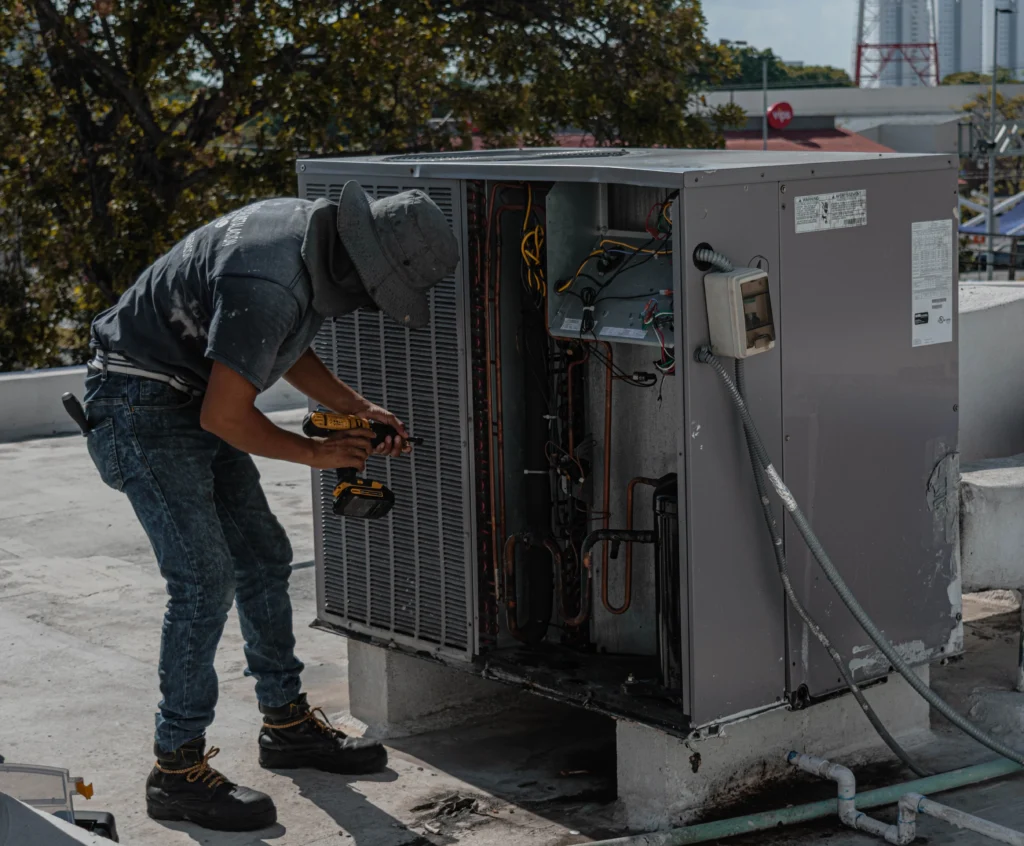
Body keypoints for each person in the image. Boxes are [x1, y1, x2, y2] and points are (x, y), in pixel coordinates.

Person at [81, 182, 459, 832]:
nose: (369, 305)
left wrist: (356, 408)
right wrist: (318, 455)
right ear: (360, 266)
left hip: (183, 391)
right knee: (204, 579)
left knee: (263, 557)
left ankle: (286, 726)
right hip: (138, 405)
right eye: (375, 293)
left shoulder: (303, 235)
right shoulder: (271, 277)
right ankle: (175, 771)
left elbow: (272, 342)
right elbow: (226, 414)